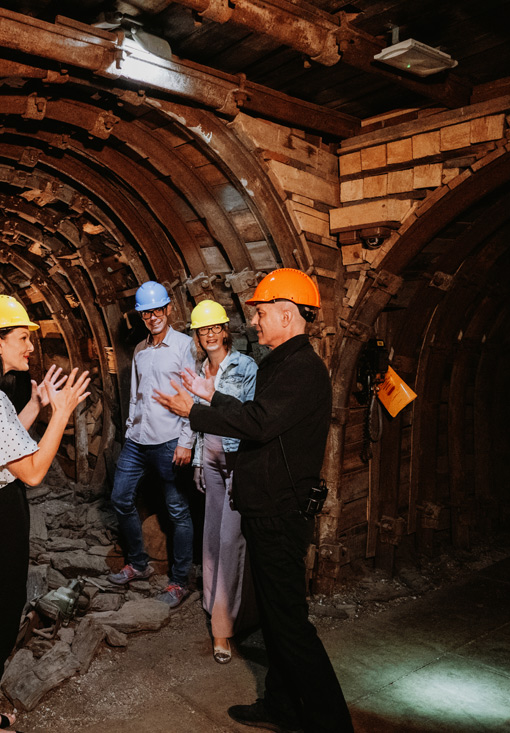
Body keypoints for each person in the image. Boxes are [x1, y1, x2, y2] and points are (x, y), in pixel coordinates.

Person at [155, 269, 354, 733]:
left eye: (262, 314)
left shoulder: (302, 369)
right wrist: (216, 396)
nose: (255, 323)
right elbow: (257, 415)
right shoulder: (281, 362)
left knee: (290, 624)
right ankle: (283, 706)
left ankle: (332, 723)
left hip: (282, 513)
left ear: (287, 314)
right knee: (276, 619)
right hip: (268, 507)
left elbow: (259, 425)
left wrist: (196, 410)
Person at [0, 294, 90, 733]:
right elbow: (30, 472)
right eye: (22, 338)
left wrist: (37, 406)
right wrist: (62, 415)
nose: (30, 347)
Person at [107, 281, 195, 608]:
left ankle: (179, 582)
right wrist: (130, 428)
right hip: (138, 440)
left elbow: (192, 398)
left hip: (170, 441)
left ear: (169, 309)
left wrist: (186, 442)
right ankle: (138, 563)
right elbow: (136, 395)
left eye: (158, 310)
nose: (153, 316)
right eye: (147, 312)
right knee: (120, 497)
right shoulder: (140, 351)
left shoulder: (186, 347)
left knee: (177, 511)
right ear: (141, 316)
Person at [188, 300, 257, 665]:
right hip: (211, 459)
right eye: (204, 330)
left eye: (215, 328)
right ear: (198, 336)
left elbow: (249, 417)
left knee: (231, 540)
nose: (211, 334)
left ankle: (223, 629)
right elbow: (197, 420)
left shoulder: (244, 366)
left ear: (225, 330)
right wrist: (199, 461)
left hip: (235, 459)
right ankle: (212, 602)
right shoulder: (201, 367)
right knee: (212, 536)